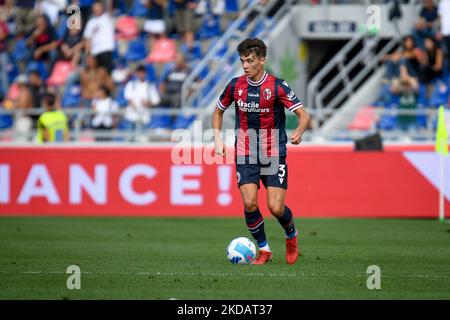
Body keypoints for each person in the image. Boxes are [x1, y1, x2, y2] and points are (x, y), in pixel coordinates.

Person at [212, 38, 310, 265]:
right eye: (242, 61)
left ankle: (291, 235)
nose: (245, 66)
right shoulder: (235, 86)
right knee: (250, 203)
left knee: (275, 207)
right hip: (246, 151)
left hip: (273, 152)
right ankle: (264, 250)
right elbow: (217, 112)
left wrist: (299, 131)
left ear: (262, 60)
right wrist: (217, 139)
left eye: (249, 61)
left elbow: (303, 115)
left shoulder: (278, 86)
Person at [123, 64, 161, 130]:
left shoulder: (150, 86)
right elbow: (128, 97)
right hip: (131, 116)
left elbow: (156, 101)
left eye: (142, 72)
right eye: (139, 72)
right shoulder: (131, 84)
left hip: (144, 117)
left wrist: (148, 103)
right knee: (128, 138)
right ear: (136, 73)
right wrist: (133, 105)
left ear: (145, 73)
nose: (141, 74)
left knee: (142, 138)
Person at [83, 0, 115, 73]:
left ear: (102, 7)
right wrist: (88, 54)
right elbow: (87, 39)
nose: (97, 9)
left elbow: (110, 5)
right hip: (95, 52)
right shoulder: (90, 22)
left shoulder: (107, 17)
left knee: (106, 74)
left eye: (98, 7)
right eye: (95, 7)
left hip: (106, 49)